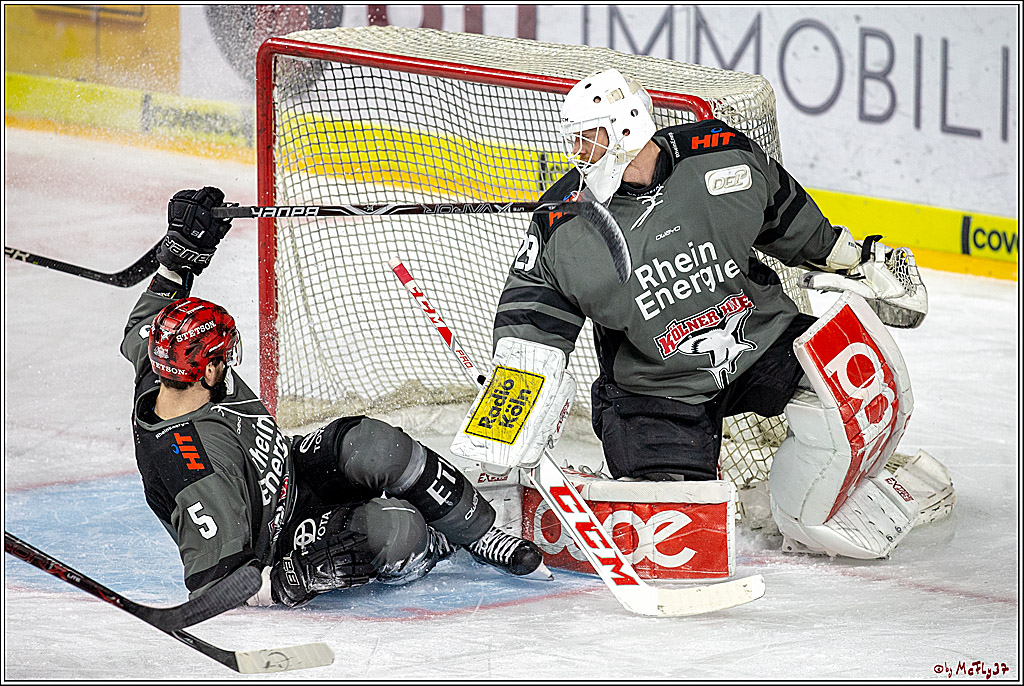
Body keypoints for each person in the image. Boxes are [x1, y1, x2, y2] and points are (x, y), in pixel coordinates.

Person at [469, 69, 928, 559]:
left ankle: (818, 504)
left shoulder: (720, 154)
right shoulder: (564, 224)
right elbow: (533, 313)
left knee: (858, 384)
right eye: (575, 140)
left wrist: (855, 260)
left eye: (589, 138)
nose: (578, 153)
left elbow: (787, 216)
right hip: (654, 385)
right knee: (676, 529)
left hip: (760, 338)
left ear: (627, 126)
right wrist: (512, 397)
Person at [122, 187, 549, 607]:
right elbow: (218, 585)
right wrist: (294, 578)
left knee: (374, 445)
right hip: (280, 540)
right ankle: (436, 541)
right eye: (226, 355)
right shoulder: (194, 469)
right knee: (397, 531)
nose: (232, 361)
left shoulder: (166, 365)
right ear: (209, 370)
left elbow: (148, 317)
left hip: (291, 471)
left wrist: (179, 254)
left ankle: (479, 533)